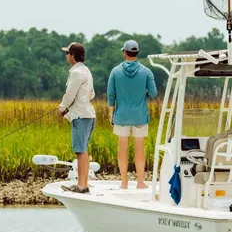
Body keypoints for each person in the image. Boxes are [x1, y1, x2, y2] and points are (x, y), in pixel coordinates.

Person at [107, 39, 158, 189]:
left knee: (122, 149)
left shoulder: (115, 71)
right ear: (137, 53)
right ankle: (140, 182)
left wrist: (111, 115)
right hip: (140, 116)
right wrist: (144, 93)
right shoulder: (146, 72)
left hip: (121, 116)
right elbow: (154, 93)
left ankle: (124, 182)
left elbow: (111, 95)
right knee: (139, 149)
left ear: (124, 52)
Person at [58, 42, 96, 194]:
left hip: (80, 116)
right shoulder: (86, 71)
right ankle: (83, 184)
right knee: (83, 151)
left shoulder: (75, 73)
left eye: (67, 53)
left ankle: (81, 186)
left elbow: (70, 94)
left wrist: (62, 107)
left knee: (80, 152)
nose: (66, 55)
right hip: (89, 115)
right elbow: (91, 94)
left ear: (73, 55)